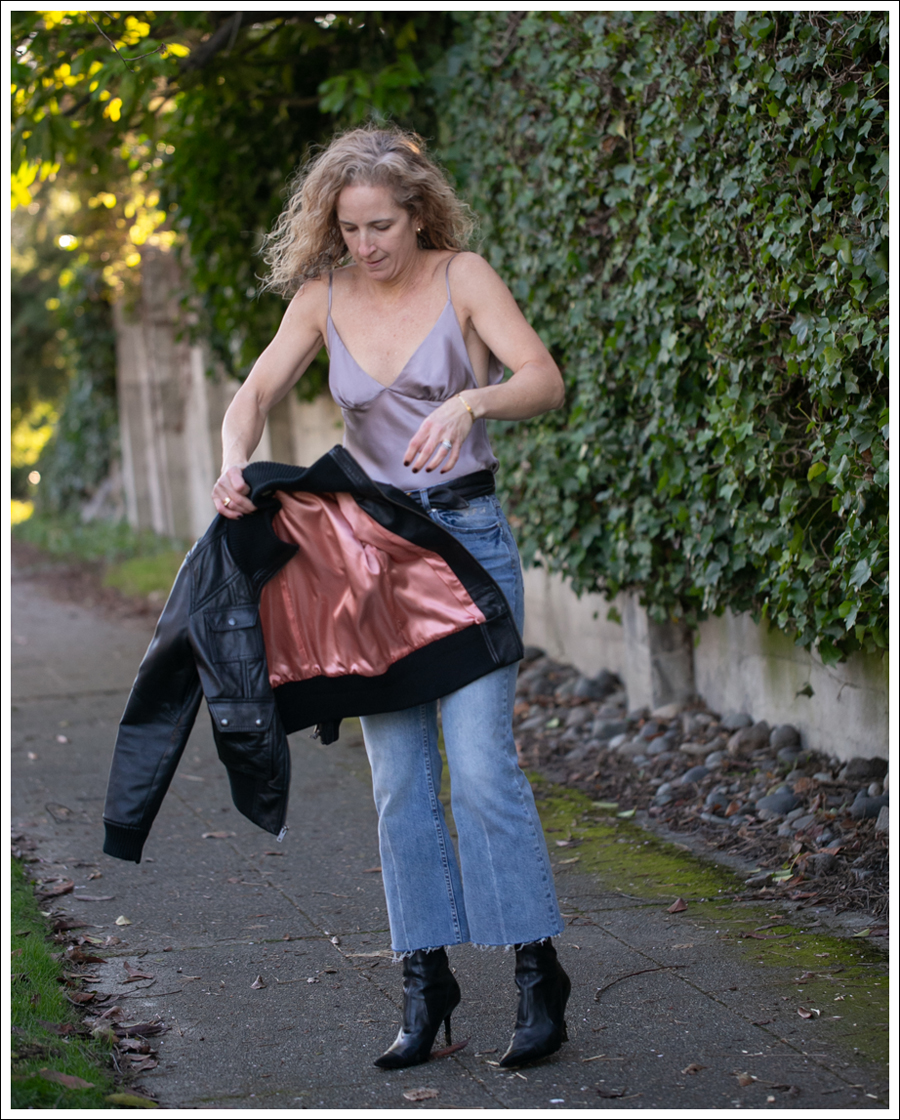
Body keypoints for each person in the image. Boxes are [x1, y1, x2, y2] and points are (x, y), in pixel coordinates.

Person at [212, 125, 570, 1069]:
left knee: (482, 769)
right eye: (349, 228)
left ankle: (537, 973)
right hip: (371, 563)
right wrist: (232, 460)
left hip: (467, 545)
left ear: (417, 214)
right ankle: (426, 980)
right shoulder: (322, 297)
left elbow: (543, 380)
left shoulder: (464, 278)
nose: (365, 245)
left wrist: (472, 401)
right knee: (400, 782)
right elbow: (253, 395)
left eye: (380, 225)